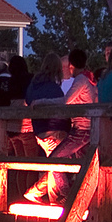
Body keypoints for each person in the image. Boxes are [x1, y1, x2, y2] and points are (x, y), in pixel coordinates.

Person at [40, 48, 97, 201]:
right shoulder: (89, 80)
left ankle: (69, 197)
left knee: (54, 159)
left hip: (81, 131)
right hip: (87, 130)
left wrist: (42, 102)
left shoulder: (80, 81)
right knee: (84, 166)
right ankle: (85, 197)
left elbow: (65, 101)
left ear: (71, 65)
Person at [23, 53, 66, 203]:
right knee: (58, 164)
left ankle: (41, 193)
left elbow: (29, 101)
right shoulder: (53, 87)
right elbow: (64, 102)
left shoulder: (33, 85)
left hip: (39, 130)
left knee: (54, 163)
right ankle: (54, 197)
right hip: (55, 129)